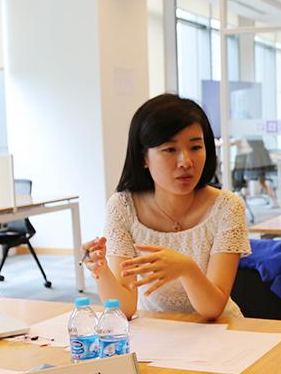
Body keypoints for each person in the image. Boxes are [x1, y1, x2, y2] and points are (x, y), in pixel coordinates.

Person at [81, 94, 251, 320]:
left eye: (195, 147)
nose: (186, 162)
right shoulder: (123, 207)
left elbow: (212, 309)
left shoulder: (227, 207)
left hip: (219, 331)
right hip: (158, 332)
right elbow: (125, 310)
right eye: (170, 149)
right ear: (144, 157)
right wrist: (100, 269)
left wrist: (187, 269)